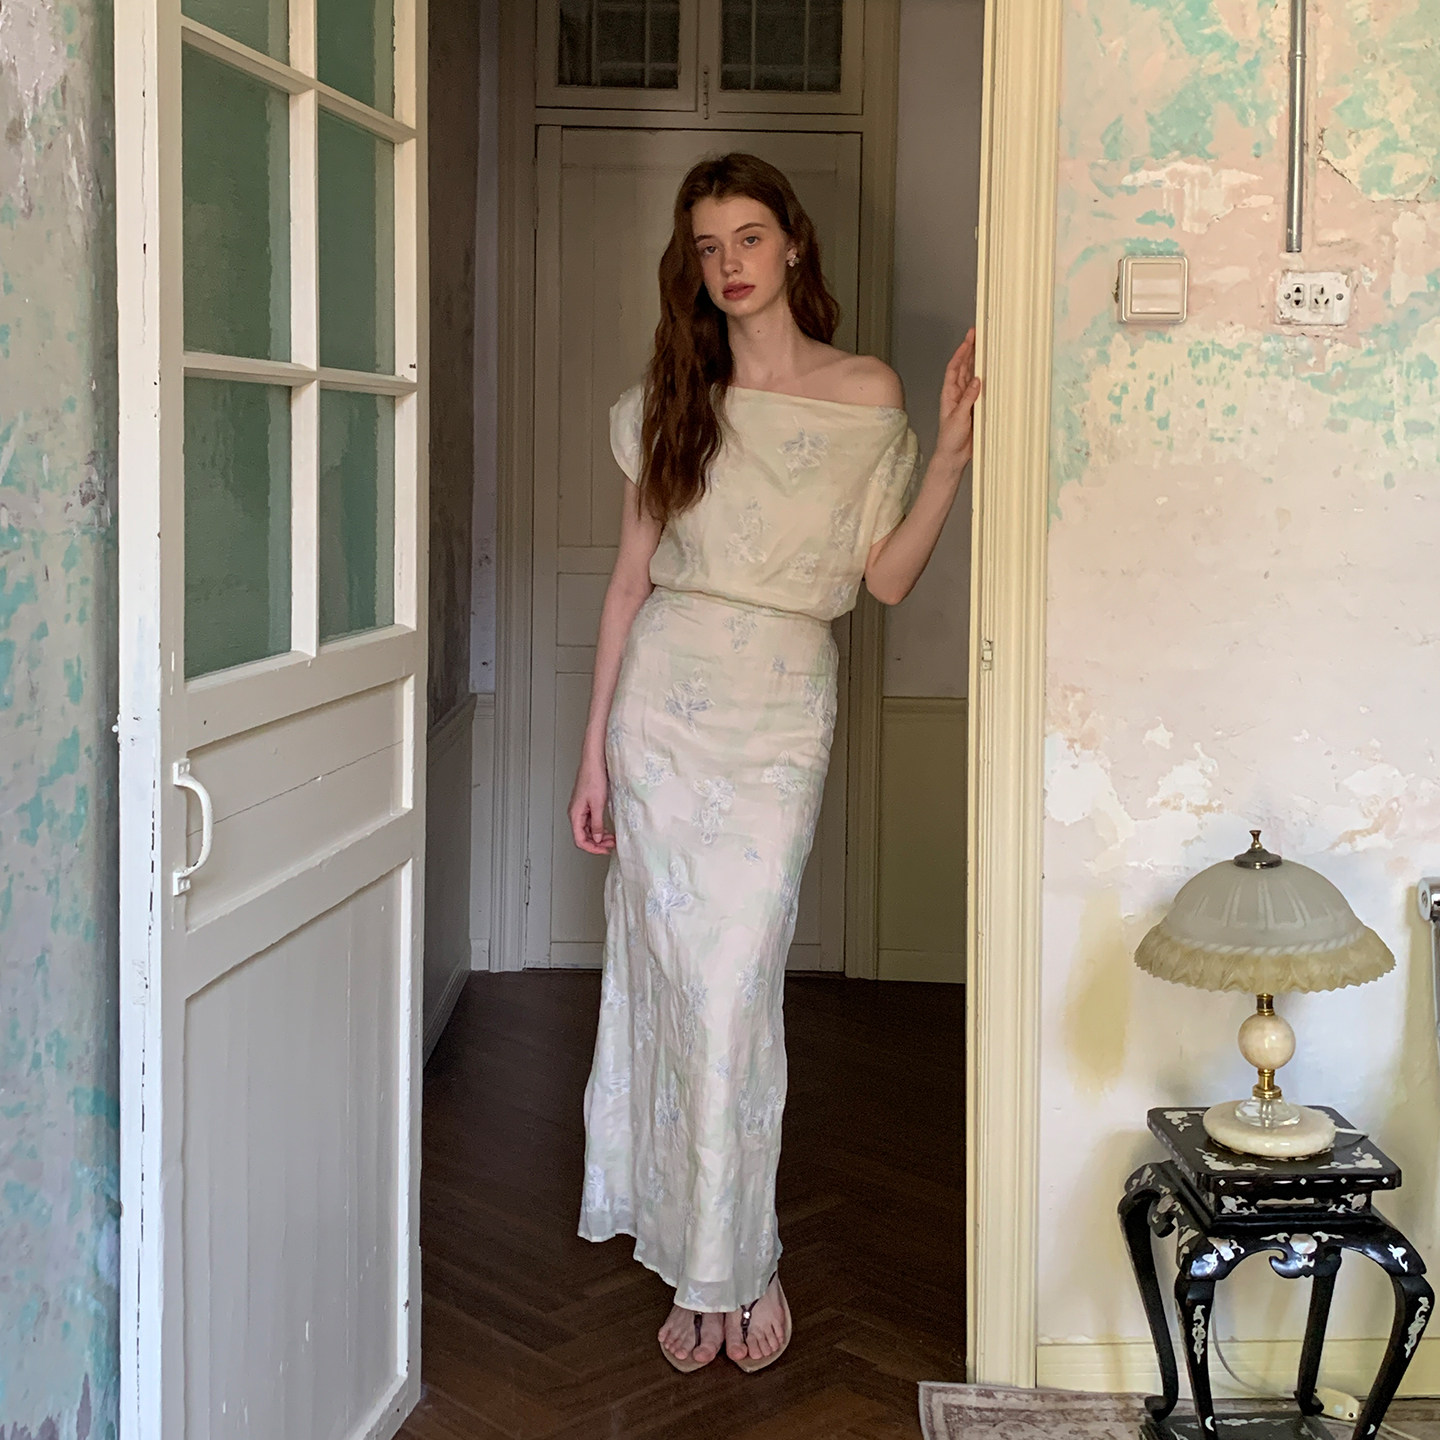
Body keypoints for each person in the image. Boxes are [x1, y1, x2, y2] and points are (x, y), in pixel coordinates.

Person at [567, 152, 981, 1374]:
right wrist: (593, 756)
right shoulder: (671, 401)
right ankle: (702, 1266)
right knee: (675, 984)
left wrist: (949, 458)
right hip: (663, 713)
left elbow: (885, 578)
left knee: (735, 985)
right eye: (708, 247)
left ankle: (738, 1256)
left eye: (749, 237)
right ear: (692, 267)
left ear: (793, 244)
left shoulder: (867, 393)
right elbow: (628, 586)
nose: (731, 264)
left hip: (782, 710)